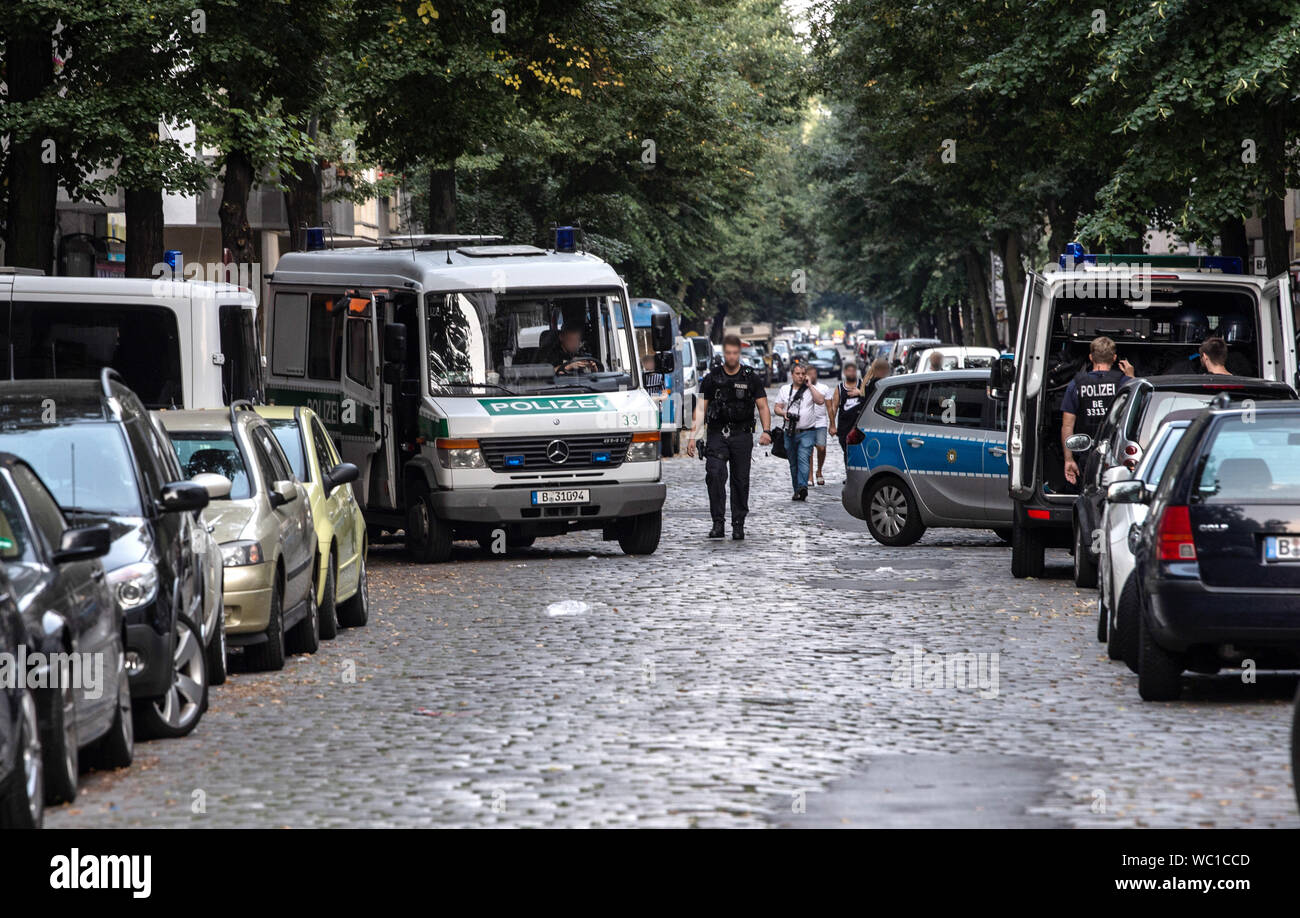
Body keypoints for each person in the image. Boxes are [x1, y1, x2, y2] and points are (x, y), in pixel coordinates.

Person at [685, 335, 772, 540]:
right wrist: (692, 437)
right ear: (723, 354)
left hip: (742, 434)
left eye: (735, 353)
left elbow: (763, 406)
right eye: (728, 353)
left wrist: (766, 431)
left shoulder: (750, 377)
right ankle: (718, 523)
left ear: (739, 354)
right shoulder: (712, 378)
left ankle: (738, 523)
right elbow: (700, 409)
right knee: (714, 475)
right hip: (717, 434)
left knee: (740, 481)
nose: (731, 357)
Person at [1062, 336, 1134, 485]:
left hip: (1087, 454)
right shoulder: (1126, 383)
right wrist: (1131, 377)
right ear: (1114, 358)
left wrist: (1069, 459)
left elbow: (1067, 426)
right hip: (1117, 454)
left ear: (1090, 357)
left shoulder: (1075, 385)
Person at [773, 362, 826, 501]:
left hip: (807, 431)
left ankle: (803, 486)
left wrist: (810, 385)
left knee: (803, 457)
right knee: (793, 462)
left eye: (803, 374)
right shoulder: (785, 389)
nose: (801, 376)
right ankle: (797, 489)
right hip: (789, 432)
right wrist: (783, 413)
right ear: (792, 375)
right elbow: (776, 407)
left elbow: (821, 401)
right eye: (798, 374)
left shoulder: (810, 389)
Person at [829, 359, 866, 461]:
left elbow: (870, 399)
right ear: (845, 372)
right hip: (844, 427)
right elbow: (834, 407)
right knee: (847, 452)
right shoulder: (840, 388)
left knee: (859, 453)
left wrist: (860, 393)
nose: (851, 373)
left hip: (860, 426)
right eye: (849, 371)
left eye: (853, 371)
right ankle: (848, 472)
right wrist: (832, 425)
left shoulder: (862, 384)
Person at [805, 364, 832, 486]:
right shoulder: (803, 388)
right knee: (809, 450)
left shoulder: (824, 388)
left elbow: (829, 407)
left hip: (821, 422)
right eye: (809, 373)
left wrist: (832, 424)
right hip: (808, 423)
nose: (812, 376)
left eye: (814, 373)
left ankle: (819, 470)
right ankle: (810, 476)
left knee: (821, 448)